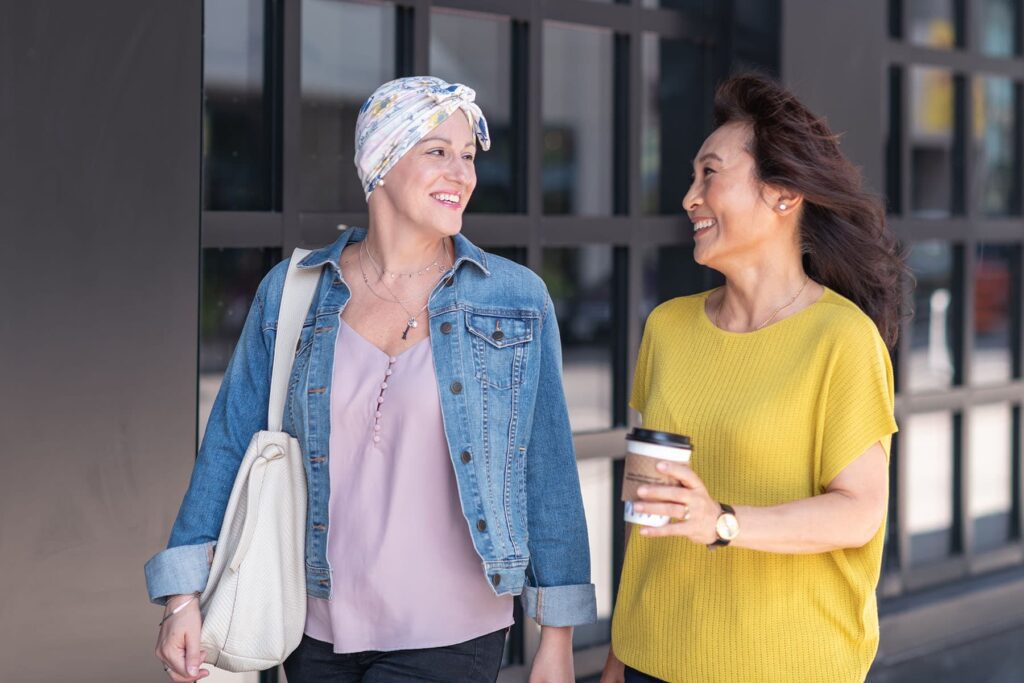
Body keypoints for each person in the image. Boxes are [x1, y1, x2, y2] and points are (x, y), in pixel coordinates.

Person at [147, 76, 596, 683]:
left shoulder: (514, 299)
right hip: (312, 625)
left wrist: (557, 640)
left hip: (454, 630)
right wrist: (181, 597)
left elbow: (547, 471)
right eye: (437, 152)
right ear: (380, 161)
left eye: (467, 156)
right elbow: (228, 444)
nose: (461, 174)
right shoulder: (294, 290)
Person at [601, 74, 906, 683]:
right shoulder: (667, 328)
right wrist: (619, 658)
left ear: (784, 193)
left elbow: (858, 512)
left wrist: (723, 522)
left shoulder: (841, 339)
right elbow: (653, 518)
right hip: (651, 659)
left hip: (786, 665)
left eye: (709, 174)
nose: (690, 197)